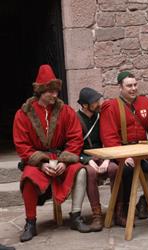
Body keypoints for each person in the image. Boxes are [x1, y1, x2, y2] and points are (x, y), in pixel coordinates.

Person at [13, 64, 90, 242]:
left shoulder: (66, 111)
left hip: (61, 159)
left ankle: (76, 216)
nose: (55, 95)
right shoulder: (23, 114)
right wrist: (41, 163)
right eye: (51, 92)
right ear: (40, 92)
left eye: (57, 91)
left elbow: (75, 138)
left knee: (80, 171)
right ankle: (30, 222)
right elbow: (21, 144)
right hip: (37, 162)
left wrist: (65, 160)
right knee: (28, 178)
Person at [100, 71, 148, 220]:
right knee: (126, 170)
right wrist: (122, 157)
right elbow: (109, 136)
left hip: (143, 152)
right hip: (122, 153)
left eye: (135, 85)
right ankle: (123, 209)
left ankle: (144, 201)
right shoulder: (111, 106)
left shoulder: (146, 103)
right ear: (120, 87)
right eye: (129, 86)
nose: (133, 88)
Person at [76, 87, 120, 231]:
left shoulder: (102, 116)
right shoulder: (75, 119)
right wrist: (88, 160)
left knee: (115, 169)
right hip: (85, 158)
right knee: (91, 172)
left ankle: (118, 212)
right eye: (94, 102)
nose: (98, 103)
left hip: (103, 155)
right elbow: (74, 147)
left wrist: (108, 159)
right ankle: (97, 216)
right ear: (84, 105)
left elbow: (108, 139)